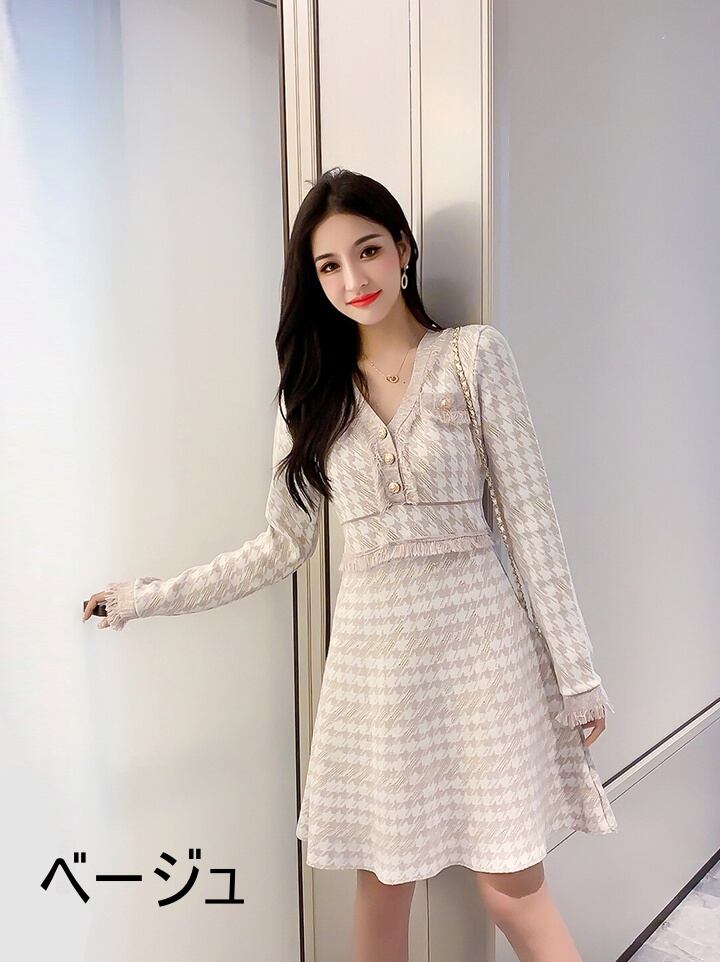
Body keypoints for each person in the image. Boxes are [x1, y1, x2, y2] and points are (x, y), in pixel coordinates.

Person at [83, 167, 617, 962]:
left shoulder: (474, 358)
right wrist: (146, 597)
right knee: (383, 889)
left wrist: (577, 673)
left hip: (485, 656)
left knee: (513, 890)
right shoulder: (310, 400)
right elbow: (281, 546)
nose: (352, 279)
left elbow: (530, 520)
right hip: (379, 672)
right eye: (329, 265)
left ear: (402, 247)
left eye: (367, 251)